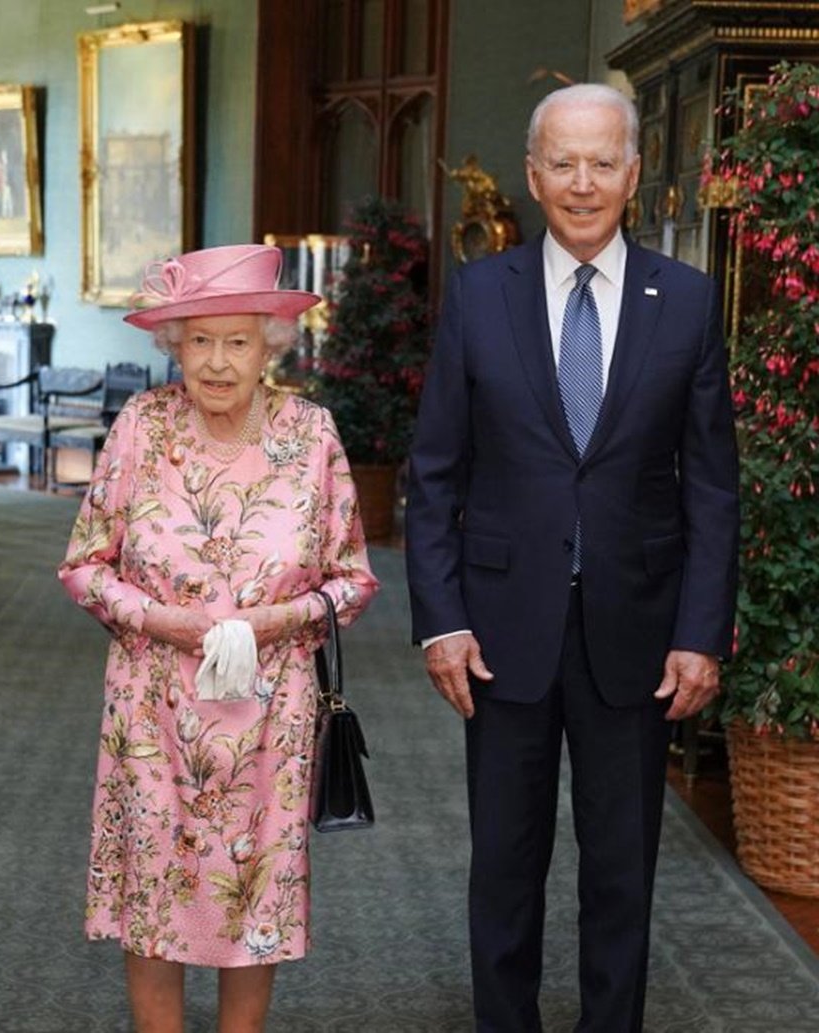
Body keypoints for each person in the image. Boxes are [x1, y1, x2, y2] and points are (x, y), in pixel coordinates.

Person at [405, 84, 738, 1032]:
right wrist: (442, 617)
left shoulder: (686, 303)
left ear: (634, 174)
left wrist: (700, 633)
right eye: (563, 162)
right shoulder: (478, 296)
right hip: (501, 632)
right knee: (504, 867)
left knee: (621, 872)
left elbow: (713, 486)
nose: (582, 183)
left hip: (636, 635)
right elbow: (434, 474)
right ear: (532, 174)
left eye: (602, 162)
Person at [59, 244, 379, 1032]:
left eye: (238, 341)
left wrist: (277, 620)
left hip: (271, 715)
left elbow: (355, 579)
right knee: (153, 898)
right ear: (175, 345)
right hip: (152, 708)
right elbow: (83, 567)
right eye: (199, 340)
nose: (217, 361)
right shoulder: (141, 424)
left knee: (255, 899)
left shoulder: (312, 433)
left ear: (271, 342)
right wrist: (162, 620)